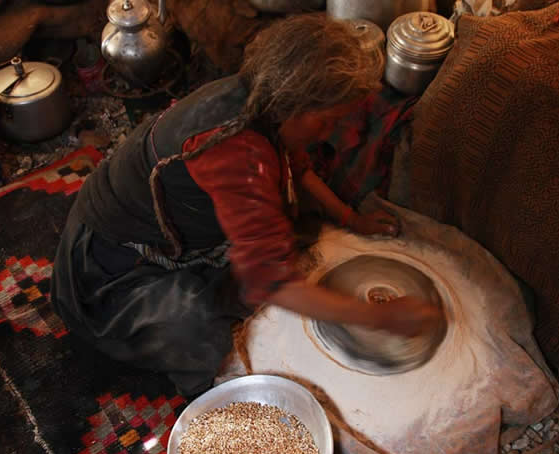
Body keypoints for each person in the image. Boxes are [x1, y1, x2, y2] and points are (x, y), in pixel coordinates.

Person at [51, 14, 442, 396]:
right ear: (296, 104)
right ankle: (205, 392)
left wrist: (351, 219)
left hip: (175, 223)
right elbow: (271, 283)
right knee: (197, 326)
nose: (329, 133)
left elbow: (298, 168)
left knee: (289, 234)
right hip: (110, 260)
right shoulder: (236, 150)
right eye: (326, 121)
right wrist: (379, 318)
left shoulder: (265, 99)